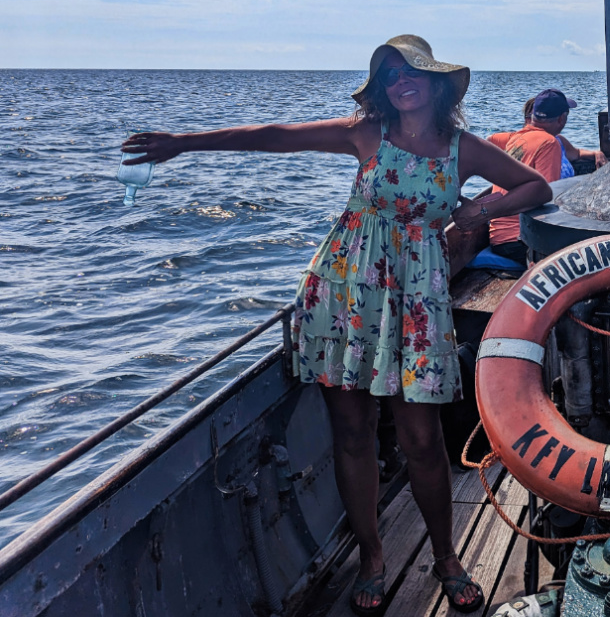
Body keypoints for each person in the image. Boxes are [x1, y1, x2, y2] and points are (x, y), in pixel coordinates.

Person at [121, 35, 552, 616]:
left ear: (437, 84)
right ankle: (373, 558)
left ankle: (446, 556)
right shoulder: (364, 133)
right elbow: (276, 138)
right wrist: (185, 143)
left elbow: (536, 187)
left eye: (413, 73)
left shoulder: (463, 148)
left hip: (417, 301)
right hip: (344, 294)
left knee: (422, 439)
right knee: (352, 433)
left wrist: (479, 209)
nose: (401, 82)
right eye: (390, 74)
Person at [488, 88, 602, 263]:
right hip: (519, 239)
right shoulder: (549, 143)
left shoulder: (516, 138)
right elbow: (547, 200)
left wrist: (595, 154)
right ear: (562, 118)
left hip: (499, 236)